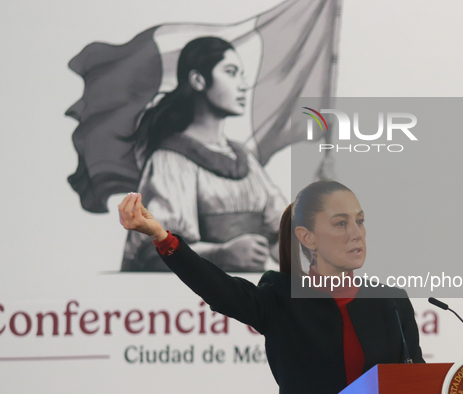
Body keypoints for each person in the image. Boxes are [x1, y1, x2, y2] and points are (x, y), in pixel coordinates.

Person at [118, 180, 424, 394]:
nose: (357, 233)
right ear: (307, 237)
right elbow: (220, 289)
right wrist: (163, 238)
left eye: (361, 221)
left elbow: (417, 379)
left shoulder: (390, 300)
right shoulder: (281, 297)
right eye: (341, 223)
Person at [121, 36, 286, 272]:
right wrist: (221, 254)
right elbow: (155, 249)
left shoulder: (244, 158)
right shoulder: (170, 160)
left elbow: (277, 232)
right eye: (230, 72)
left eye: (242, 75)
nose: (242, 85)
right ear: (198, 80)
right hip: (195, 303)